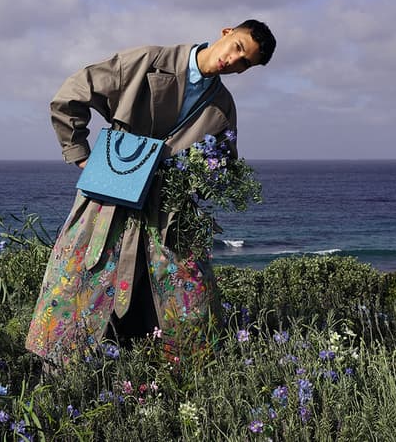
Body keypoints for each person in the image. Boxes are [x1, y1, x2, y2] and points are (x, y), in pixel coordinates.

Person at [25, 20, 276, 365]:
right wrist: (80, 155)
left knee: (187, 290)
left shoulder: (222, 105)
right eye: (238, 48)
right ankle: (58, 368)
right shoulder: (147, 60)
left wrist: (202, 182)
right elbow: (71, 94)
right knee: (82, 275)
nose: (233, 61)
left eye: (244, 63)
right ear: (226, 32)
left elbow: (223, 164)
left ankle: (184, 375)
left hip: (169, 210)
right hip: (111, 192)